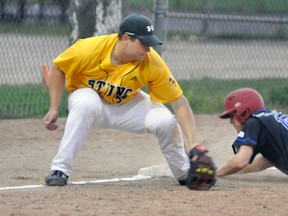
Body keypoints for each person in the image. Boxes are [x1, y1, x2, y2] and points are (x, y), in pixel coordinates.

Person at [43, 14, 198, 186]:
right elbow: (58, 68)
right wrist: (53, 108)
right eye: (143, 43)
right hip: (92, 104)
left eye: (150, 44)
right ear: (125, 38)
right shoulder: (88, 49)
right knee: (86, 103)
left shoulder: (151, 61)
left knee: (165, 120)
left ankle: (184, 172)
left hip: (127, 107)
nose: (148, 49)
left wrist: (193, 145)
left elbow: (179, 102)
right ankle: (60, 169)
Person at [216, 87, 288, 177]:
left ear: (244, 112)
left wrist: (216, 174)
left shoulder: (254, 122)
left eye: (232, 116)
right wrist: (234, 172)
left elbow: (240, 162)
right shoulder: (270, 118)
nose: (231, 121)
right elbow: (266, 161)